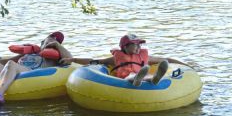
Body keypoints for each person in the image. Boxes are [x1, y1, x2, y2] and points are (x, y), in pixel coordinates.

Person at [61, 34, 190, 87]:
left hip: (143, 75)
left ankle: (155, 78)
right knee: (132, 76)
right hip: (125, 78)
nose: (139, 47)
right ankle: (139, 79)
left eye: (140, 45)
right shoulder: (115, 58)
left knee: (146, 74)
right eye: (135, 45)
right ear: (125, 46)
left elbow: (166, 59)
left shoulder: (144, 57)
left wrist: (185, 65)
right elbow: (94, 61)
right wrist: (72, 59)